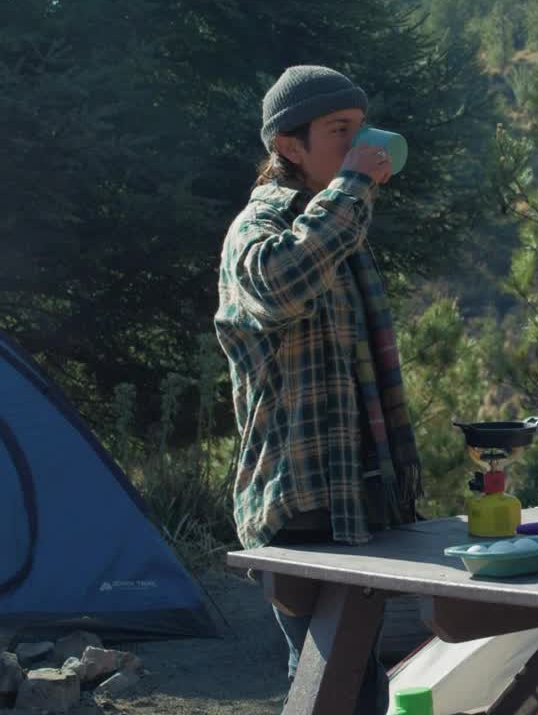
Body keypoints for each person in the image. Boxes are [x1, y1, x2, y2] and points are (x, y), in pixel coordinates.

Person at [214, 64, 421, 715]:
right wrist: (357, 182)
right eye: (340, 132)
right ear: (287, 147)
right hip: (298, 504)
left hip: (357, 500)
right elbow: (281, 283)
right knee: (329, 685)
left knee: (362, 684)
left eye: (362, 131)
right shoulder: (258, 229)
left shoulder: (338, 228)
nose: (361, 146)